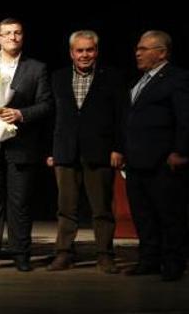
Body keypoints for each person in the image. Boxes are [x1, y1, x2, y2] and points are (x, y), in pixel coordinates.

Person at [0, 18, 53, 272]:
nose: (13, 37)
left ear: (23, 37)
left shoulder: (36, 68)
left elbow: (46, 105)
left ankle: (21, 254)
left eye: (17, 33)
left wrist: (21, 114)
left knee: (20, 204)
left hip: (21, 146)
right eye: (7, 33)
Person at [46, 30, 126, 274]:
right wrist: (51, 151)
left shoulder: (112, 77)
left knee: (101, 208)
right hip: (65, 152)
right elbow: (51, 117)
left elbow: (122, 116)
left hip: (100, 152)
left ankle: (105, 255)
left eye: (89, 50)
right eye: (79, 50)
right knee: (66, 207)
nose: (84, 55)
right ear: (71, 53)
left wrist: (118, 148)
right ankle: (64, 254)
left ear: (96, 51)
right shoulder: (58, 77)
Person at [124, 30, 189, 282]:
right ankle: (149, 260)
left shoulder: (177, 78)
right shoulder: (137, 81)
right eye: (137, 48)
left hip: (162, 161)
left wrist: (181, 151)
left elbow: (185, 118)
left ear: (161, 52)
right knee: (143, 214)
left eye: (144, 49)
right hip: (137, 161)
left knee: (169, 215)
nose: (137, 53)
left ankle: (173, 264)